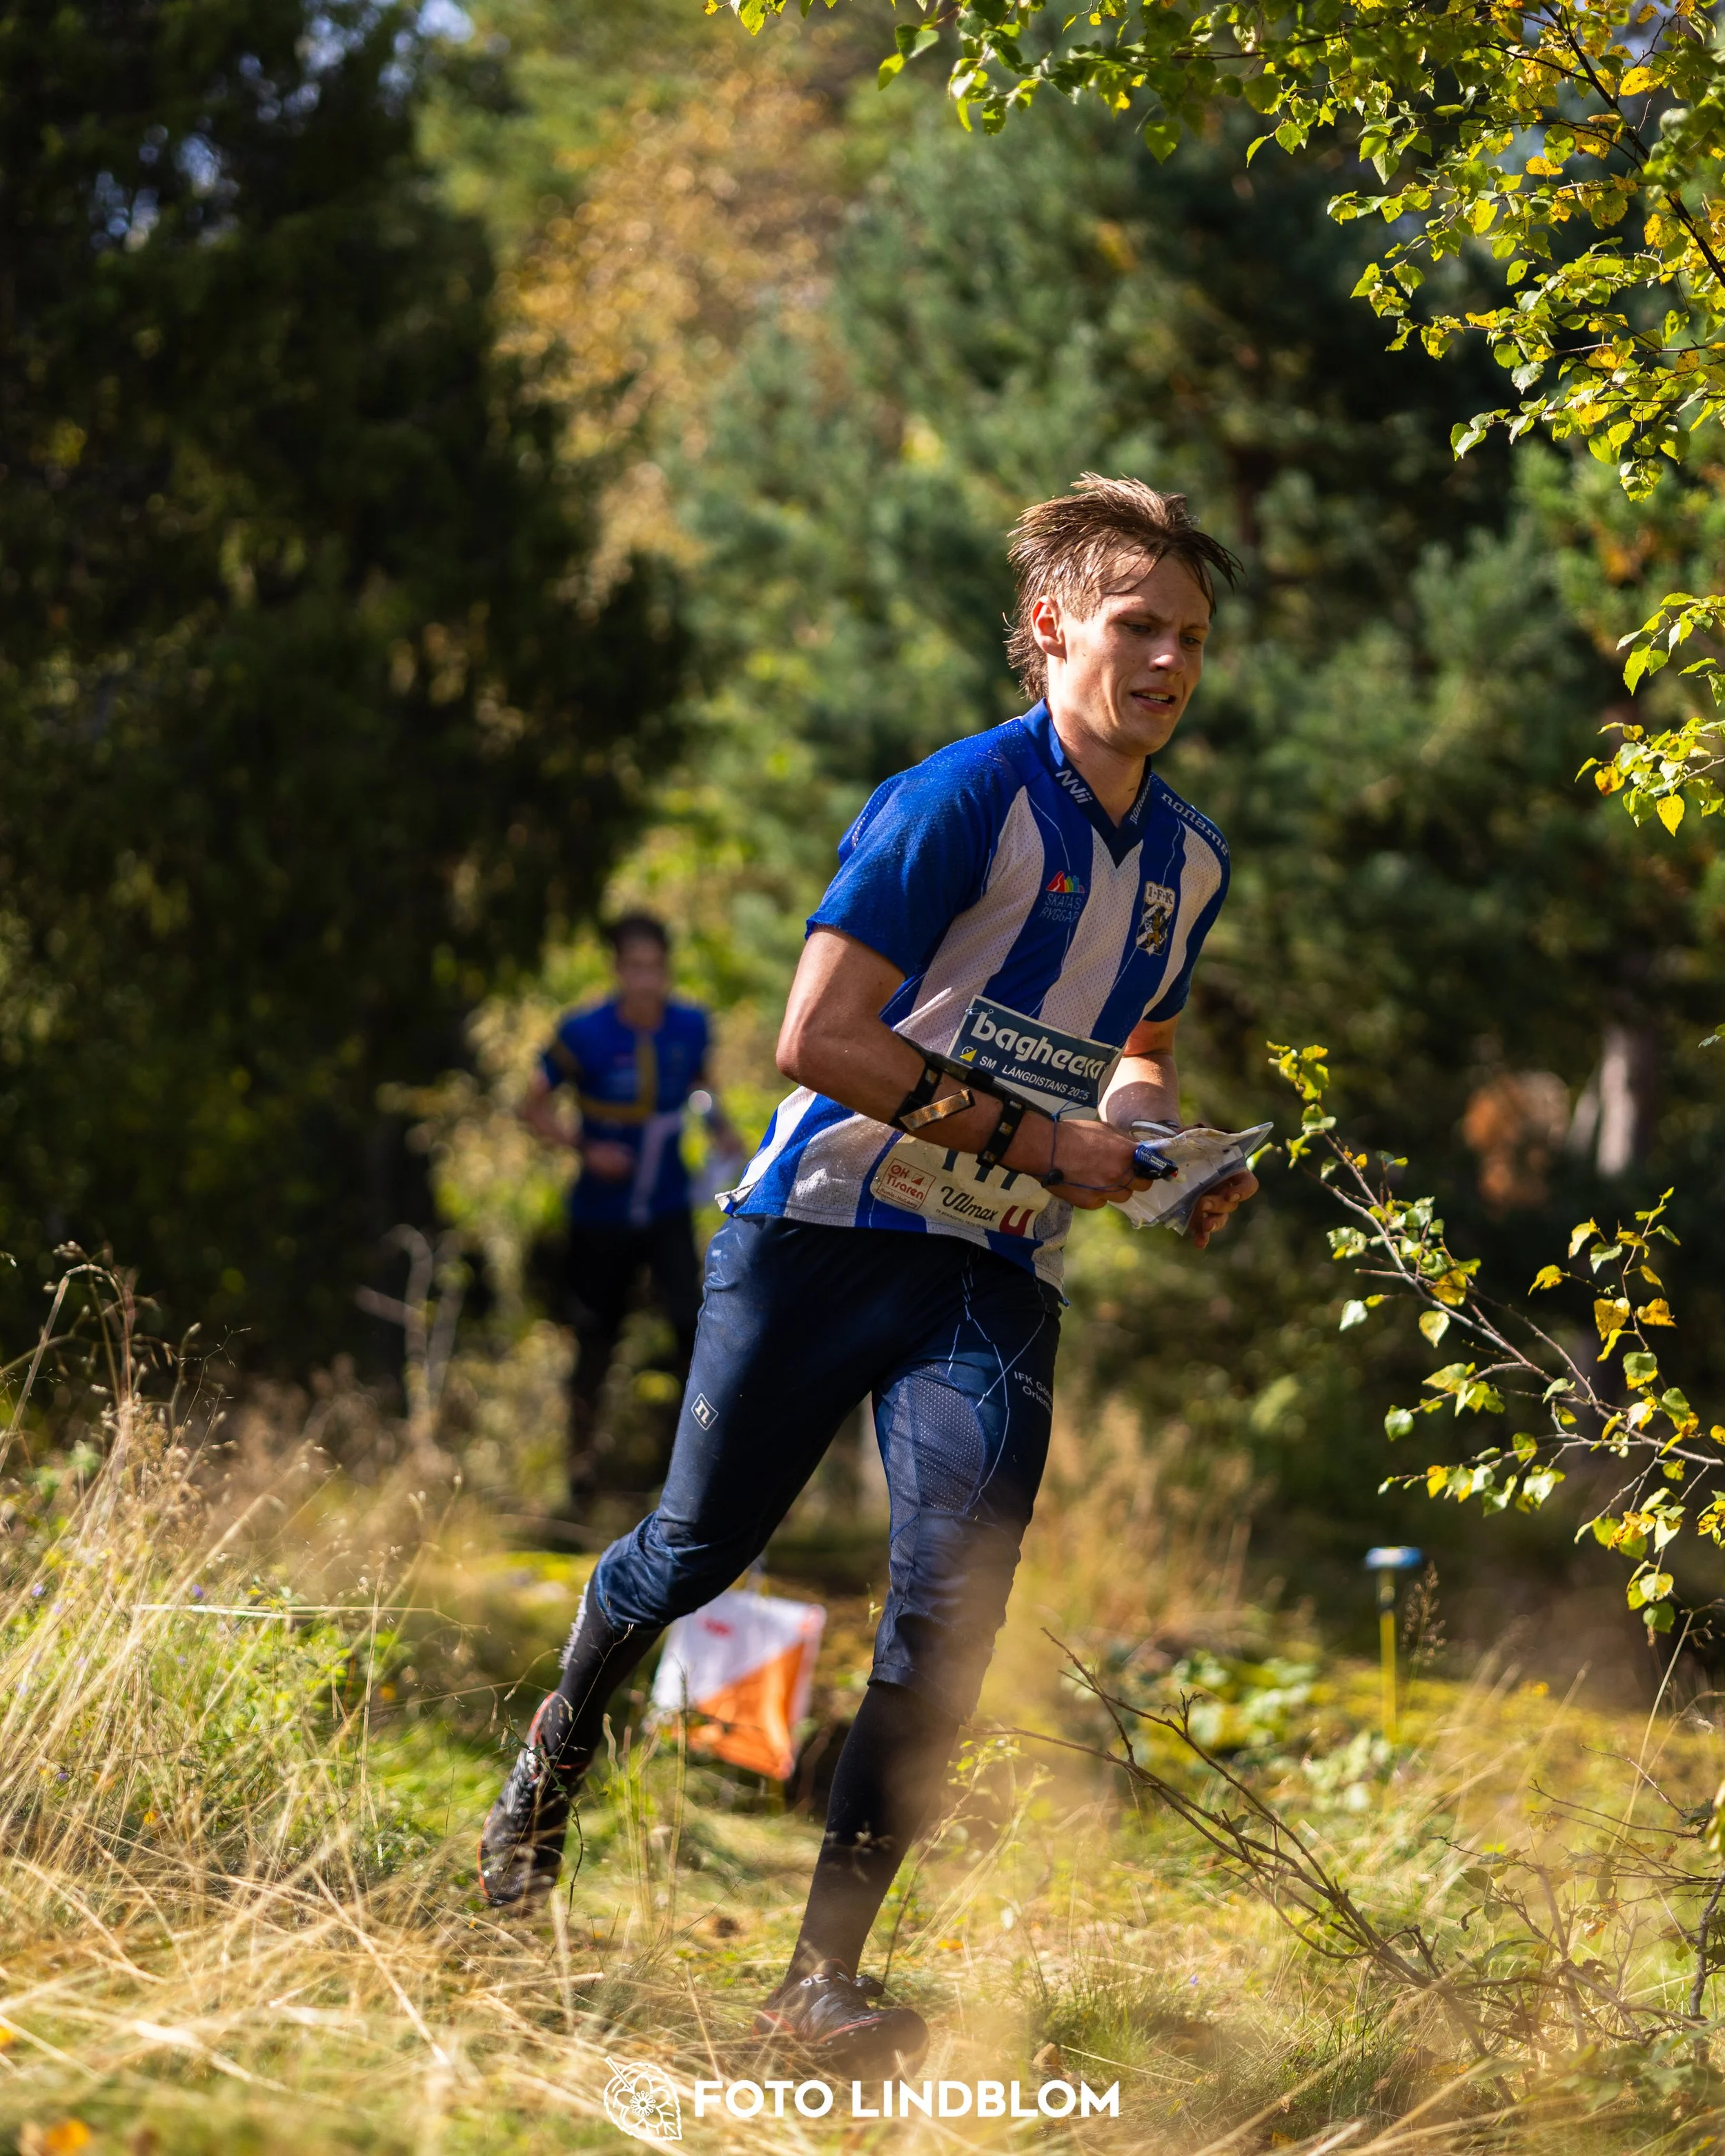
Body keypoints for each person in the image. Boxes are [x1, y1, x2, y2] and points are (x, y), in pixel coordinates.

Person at [480, 475, 1260, 2066]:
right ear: (1051, 628)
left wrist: (1160, 1154)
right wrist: (1051, 1147)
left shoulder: (1188, 861)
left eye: (1190, 635)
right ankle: (559, 1750)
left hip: (993, 1271)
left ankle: (815, 1981)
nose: (1168, 662)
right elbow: (814, 1036)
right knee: (693, 1552)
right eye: (1136, 625)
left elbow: (1136, 1057)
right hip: (822, 1235)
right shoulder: (956, 800)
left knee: (947, 1616)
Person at [519, 914, 741, 1512]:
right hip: (600, 1214)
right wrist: (584, 1147)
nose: (647, 979)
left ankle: (690, 1482)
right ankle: (580, 1482)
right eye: (635, 966)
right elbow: (531, 1104)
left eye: (656, 967)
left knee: (692, 1331)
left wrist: (722, 1129)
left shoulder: (690, 1026)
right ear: (618, 969)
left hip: (667, 1207)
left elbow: (702, 1088)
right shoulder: (583, 1032)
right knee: (594, 1342)